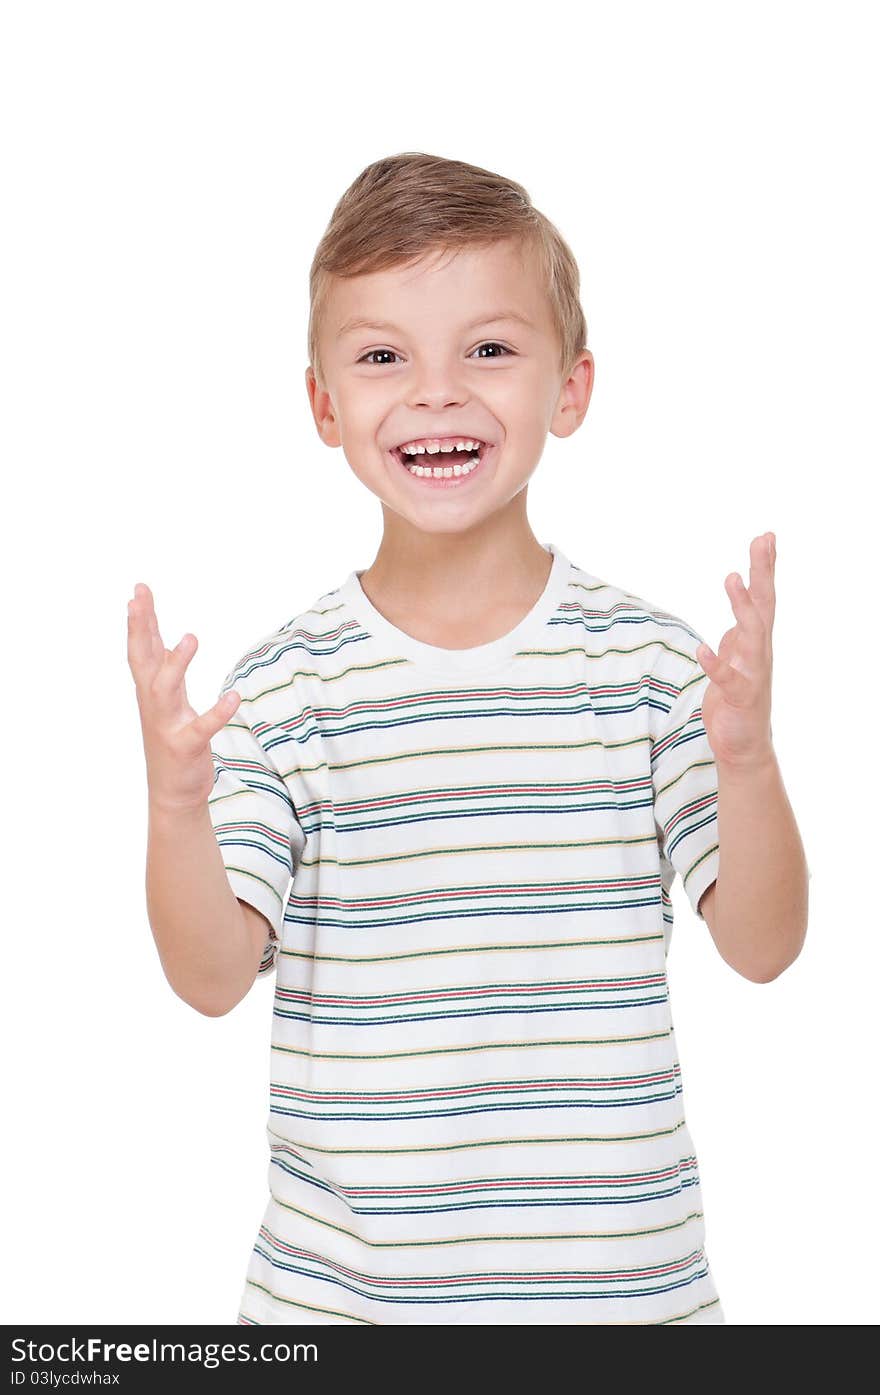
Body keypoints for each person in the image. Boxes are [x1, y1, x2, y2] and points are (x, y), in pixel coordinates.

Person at [127, 151, 810, 1326]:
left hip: (622, 1307)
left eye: (488, 350)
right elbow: (207, 979)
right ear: (324, 406)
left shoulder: (649, 665)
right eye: (384, 355)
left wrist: (746, 763)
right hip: (343, 1313)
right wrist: (175, 808)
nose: (436, 392)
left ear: (572, 389)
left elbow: (763, 946)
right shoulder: (286, 688)